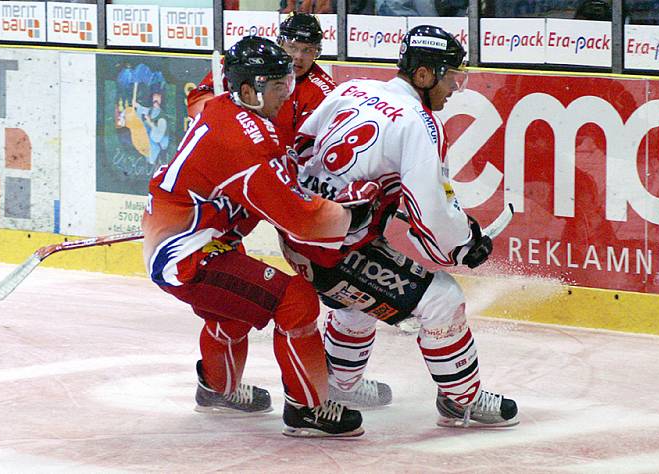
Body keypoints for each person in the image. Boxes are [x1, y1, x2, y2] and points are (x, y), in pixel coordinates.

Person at [279, 25, 519, 427]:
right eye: (450, 77)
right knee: (442, 298)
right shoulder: (419, 123)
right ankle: (462, 400)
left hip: (302, 236)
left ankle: (340, 384)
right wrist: (463, 244)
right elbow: (432, 208)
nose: (453, 88)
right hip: (335, 247)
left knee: (358, 302)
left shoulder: (351, 88)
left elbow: (298, 146)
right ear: (423, 75)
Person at [143, 35, 378, 438]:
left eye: (287, 83)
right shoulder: (242, 140)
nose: (286, 94)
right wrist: (351, 212)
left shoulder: (227, 109)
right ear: (249, 89)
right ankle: (308, 408)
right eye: (276, 86)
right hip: (189, 253)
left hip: (189, 240)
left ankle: (217, 388)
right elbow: (299, 219)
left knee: (233, 312)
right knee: (296, 301)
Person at [187, 13, 337, 148]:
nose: (298, 56)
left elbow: (309, 148)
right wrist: (222, 115)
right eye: (292, 47)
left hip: (275, 161)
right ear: (280, 43)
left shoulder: (324, 92)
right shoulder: (248, 60)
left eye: (307, 50)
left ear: (317, 52)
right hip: (232, 149)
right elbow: (197, 101)